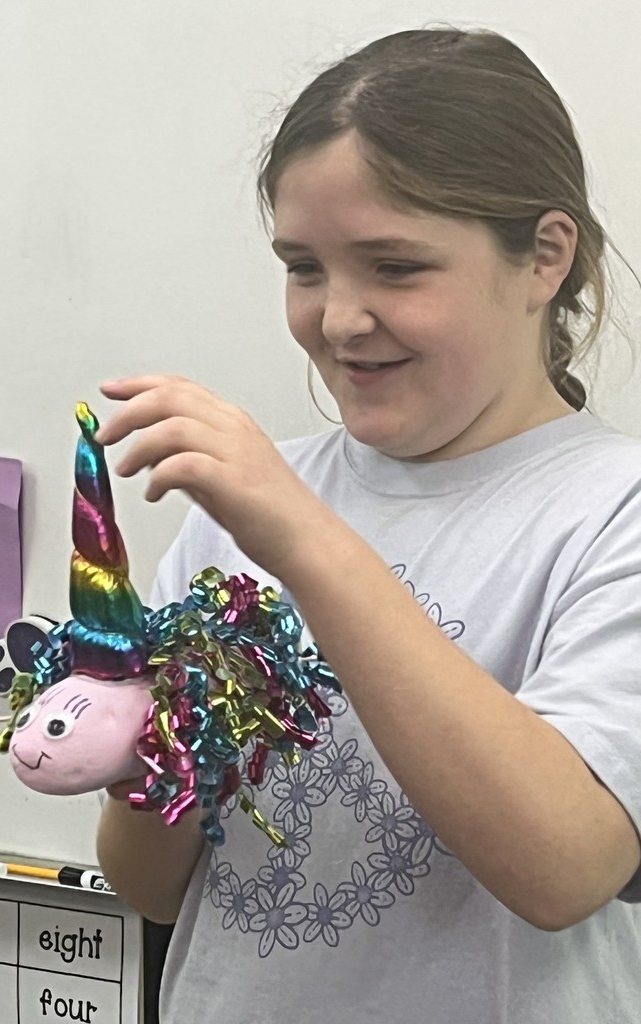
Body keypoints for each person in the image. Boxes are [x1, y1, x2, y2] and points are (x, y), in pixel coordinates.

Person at [95, 27, 641, 1023]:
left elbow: (567, 865)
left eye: (395, 267)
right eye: (304, 267)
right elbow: (149, 880)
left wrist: (305, 545)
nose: (340, 318)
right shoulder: (249, 505)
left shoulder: (612, 511)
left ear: (544, 259)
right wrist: (150, 723)